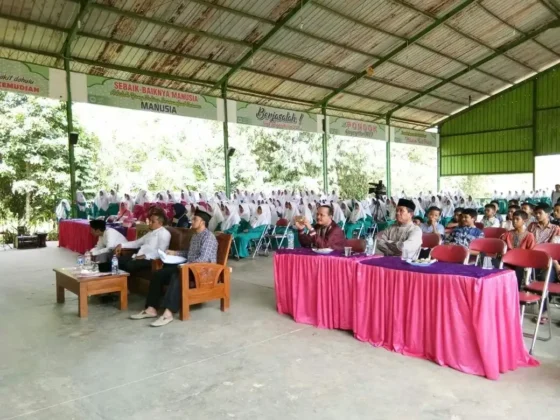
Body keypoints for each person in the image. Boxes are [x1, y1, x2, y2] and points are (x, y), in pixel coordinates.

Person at [130, 209, 218, 327]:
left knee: (178, 275)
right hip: (190, 268)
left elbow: (203, 259)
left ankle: (168, 313)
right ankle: (151, 309)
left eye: (195, 219)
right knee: (159, 274)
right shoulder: (195, 236)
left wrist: (185, 266)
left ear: (202, 223)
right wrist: (174, 253)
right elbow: (190, 254)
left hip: (203, 271)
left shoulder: (208, 237)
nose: (192, 221)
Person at [115, 209, 171, 273]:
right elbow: (137, 243)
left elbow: (161, 252)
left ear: (160, 223)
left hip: (150, 259)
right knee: (117, 261)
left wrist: (145, 256)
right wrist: (121, 245)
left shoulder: (164, 233)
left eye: (152, 222)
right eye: (150, 221)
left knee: (129, 265)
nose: (149, 223)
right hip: (140, 255)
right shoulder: (151, 232)